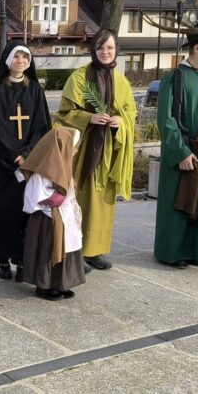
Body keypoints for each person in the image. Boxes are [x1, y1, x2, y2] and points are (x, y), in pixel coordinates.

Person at [58, 29, 137, 271]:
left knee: (104, 203)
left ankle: (95, 251)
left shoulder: (121, 80)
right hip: (85, 153)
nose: (105, 52)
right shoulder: (80, 78)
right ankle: (76, 251)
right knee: (82, 200)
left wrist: (120, 122)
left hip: (110, 152)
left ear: (116, 50)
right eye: (101, 47)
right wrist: (89, 118)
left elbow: (130, 113)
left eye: (110, 48)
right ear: (94, 49)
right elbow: (65, 113)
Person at [154, 21, 198, 269]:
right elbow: (166, 120)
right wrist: (181, 152)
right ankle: (173, 252)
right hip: (185, 150)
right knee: (179, 200)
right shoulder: (175, 78)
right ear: (196, 48)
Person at [0, 41, 51, 280]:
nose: (20, 61)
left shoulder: (34, 89)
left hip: (27, 164)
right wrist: (12, 155)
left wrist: (29, 153)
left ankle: (22, 259)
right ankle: (2, 259)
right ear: (7, 60)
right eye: (16, 57)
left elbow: (42, 125)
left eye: (24, 57)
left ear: (29, 61)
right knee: (2, 211)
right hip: (2, 164)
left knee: (25, 212)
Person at [19, 127, 86, 300]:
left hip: (65, 214)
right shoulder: (45, 168)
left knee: (69, 246)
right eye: (73, 146)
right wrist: (53, 198)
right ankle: (45, 285)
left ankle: (62, 283)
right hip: (48, 219)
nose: (76, 150)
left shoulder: (64, 163)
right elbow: (33, 195)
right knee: (48, 249)